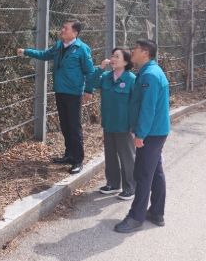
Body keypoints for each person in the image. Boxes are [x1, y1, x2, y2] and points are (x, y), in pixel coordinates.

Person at [17, 19, 95, 174]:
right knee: (65, 125)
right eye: (62, 28)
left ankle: (78, 160)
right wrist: (26, 51)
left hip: (74, 93)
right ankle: (69, 155)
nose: (62, 30)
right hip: (60, 91)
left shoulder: (82, 49)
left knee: (74, 126)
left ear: (75, 32)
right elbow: (45, 55)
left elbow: (90, 71)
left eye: (66, 28)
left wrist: (88, 90)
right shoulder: (59, 46)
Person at [114, 39, 170, 233]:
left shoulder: (150, 75)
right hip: (156, 131)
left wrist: (141, 134)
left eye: (135, 49)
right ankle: (156, 213)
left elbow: (148, 108)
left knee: (143, 174)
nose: (132, 52)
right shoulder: (148, 72)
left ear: (145, 53)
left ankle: (136, 217)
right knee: (155, 172)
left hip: (151, 133)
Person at [93, 48, 137, 200]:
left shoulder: (131, 79)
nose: (113, 59)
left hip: (124, 126)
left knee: (127, 157)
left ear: (126, 61)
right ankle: (113, 184)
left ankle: (130, 187)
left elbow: (136, 104)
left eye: (117, 56)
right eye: (112, 56)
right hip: (109, 123)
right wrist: (100, 68)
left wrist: (134, 126)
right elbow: (92, 83)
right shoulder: (106, 76)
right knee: (110, 155)